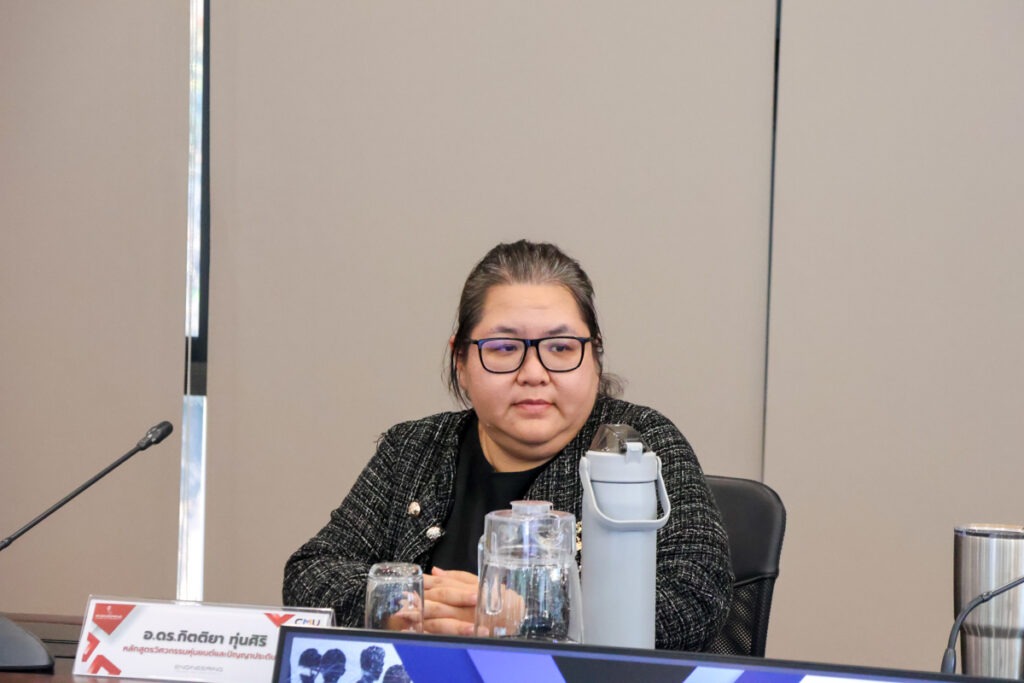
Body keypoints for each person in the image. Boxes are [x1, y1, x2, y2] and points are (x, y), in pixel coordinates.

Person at [283, 240, 732, 650]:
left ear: (594, 357)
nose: (533, 373)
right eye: (503, 348)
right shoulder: (414, 448)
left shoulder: (637, 444)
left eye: (560, 348)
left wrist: (528, 615)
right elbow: (311, 574)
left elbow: (696, 596)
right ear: (461, 361)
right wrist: (409, 605)